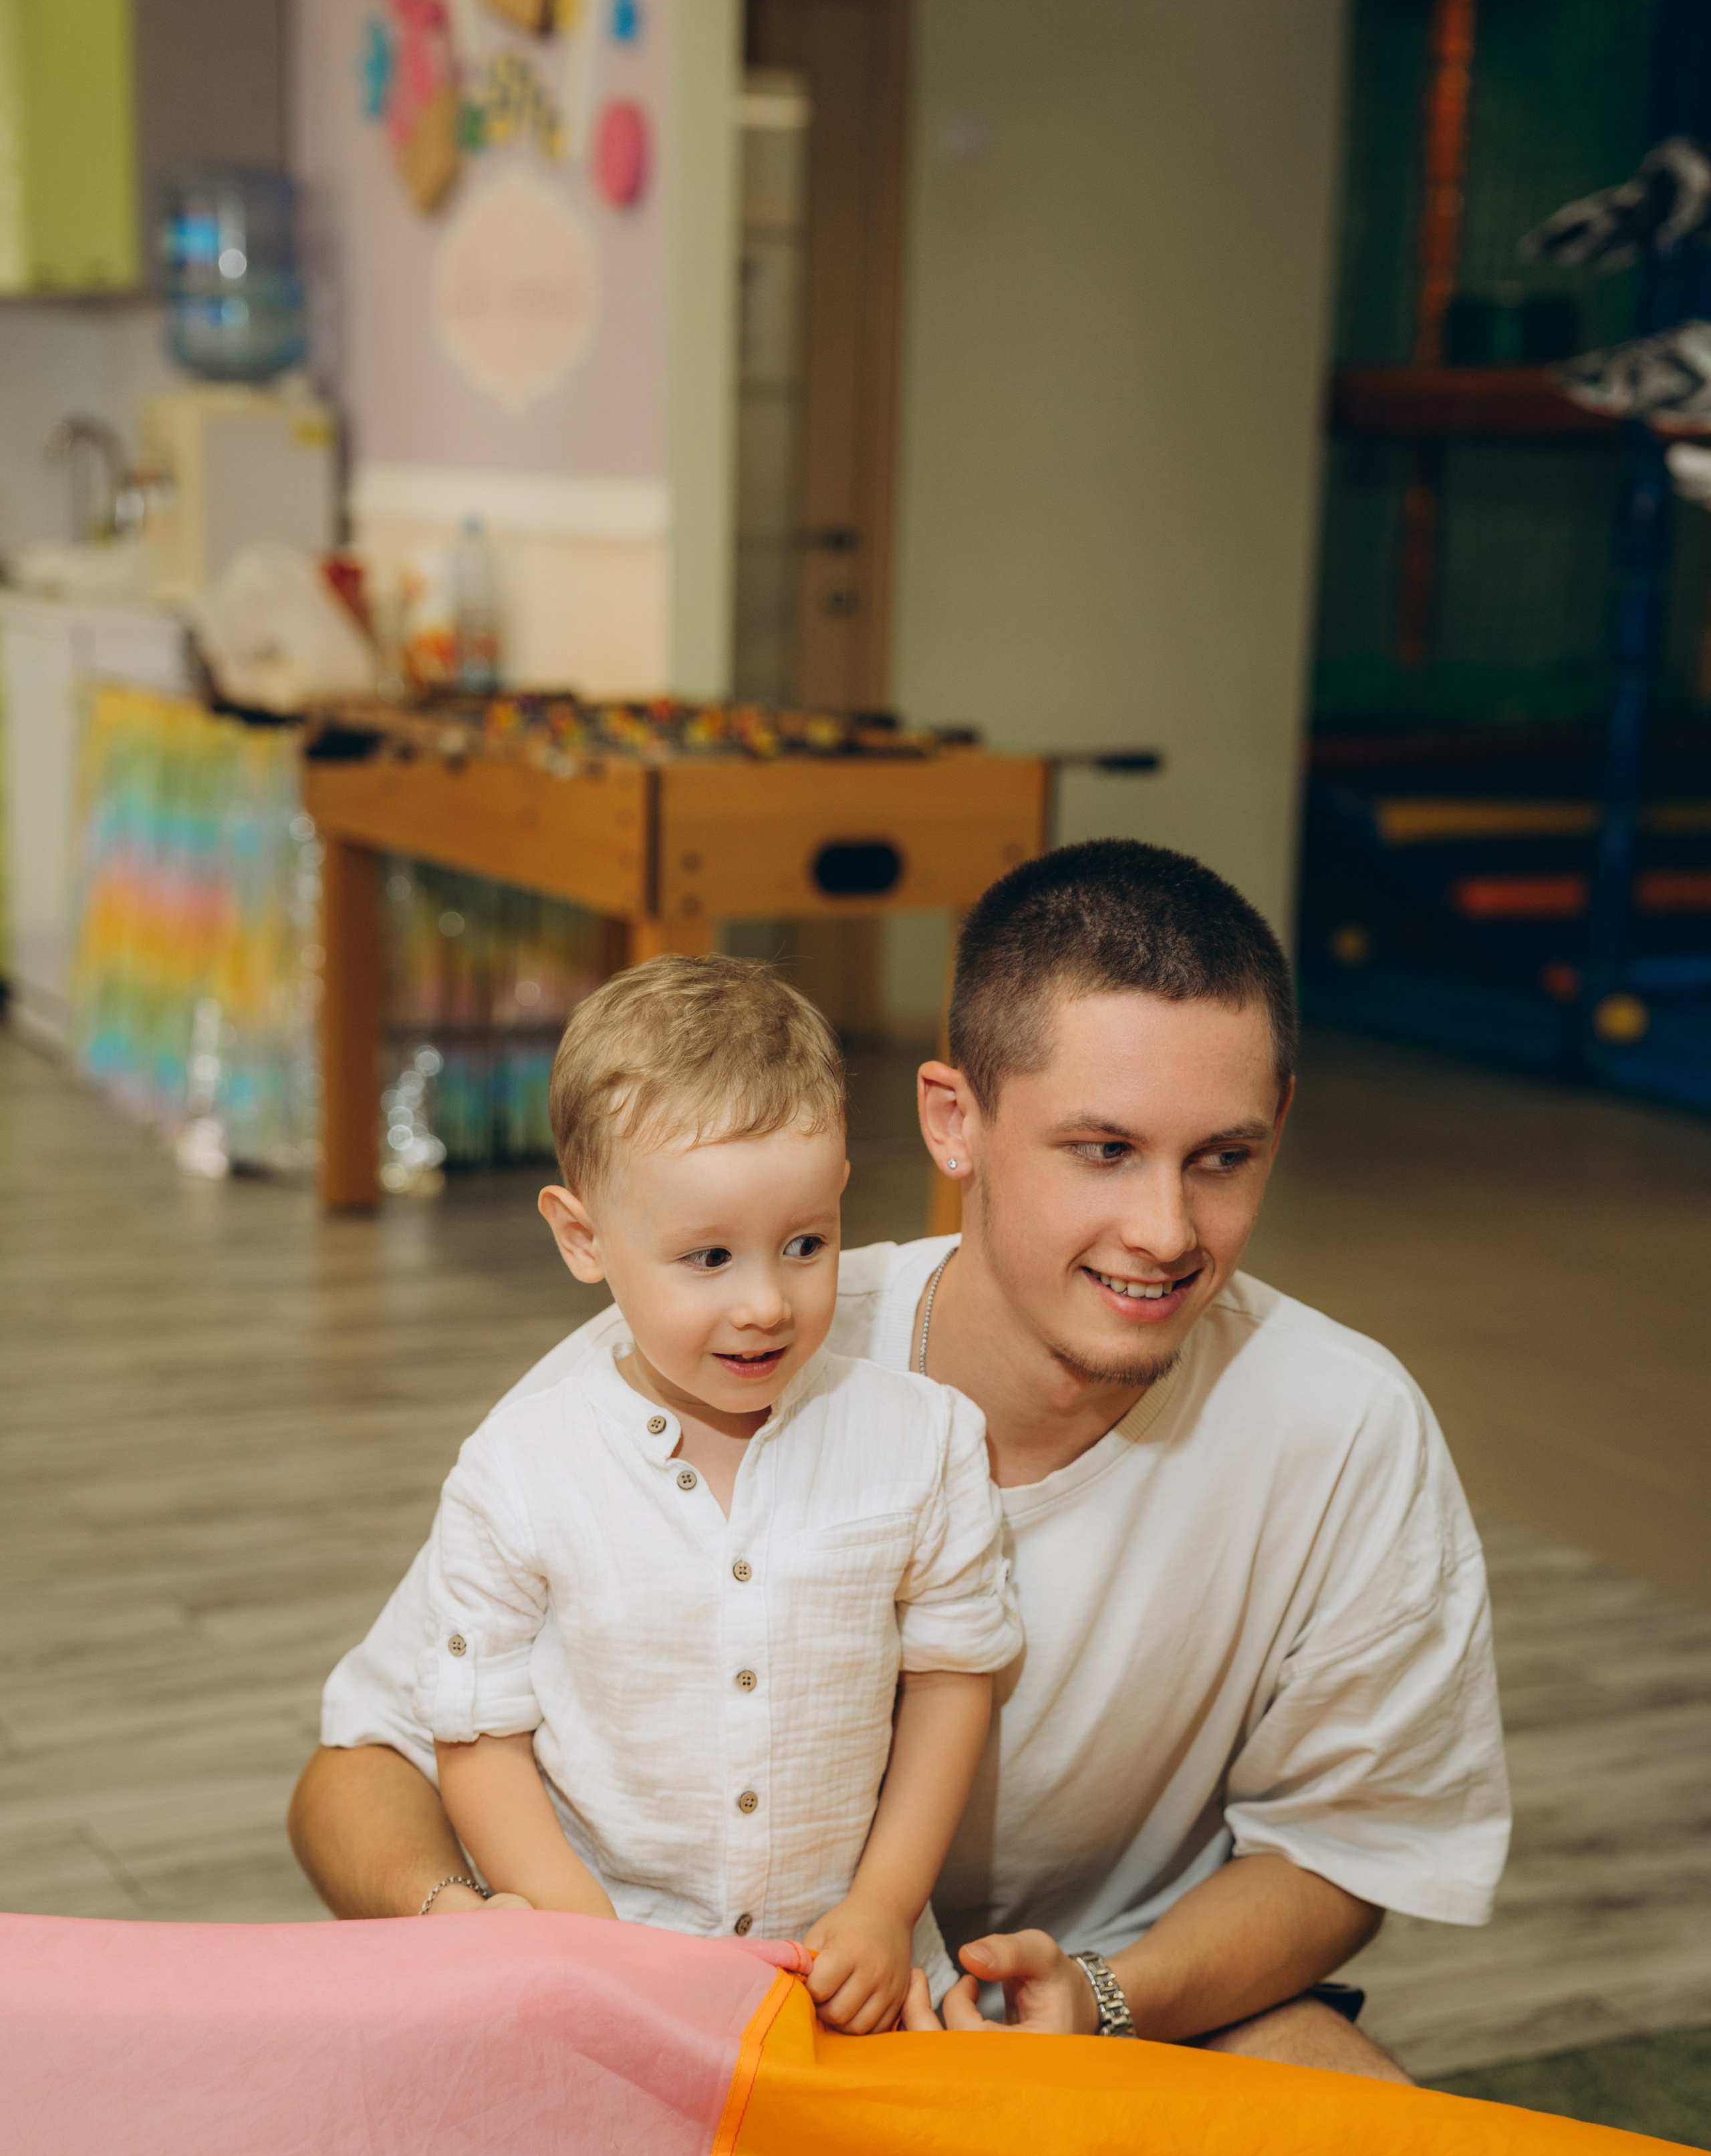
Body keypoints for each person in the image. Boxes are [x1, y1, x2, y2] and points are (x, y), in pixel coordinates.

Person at [291, 841, 1509, 2078]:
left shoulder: (1351, 1426)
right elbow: (356, 1776)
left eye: (1224, 1158)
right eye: (1101, 1150)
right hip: (677, 1999)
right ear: (954, 1122)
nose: (1166, 1232)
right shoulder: (650, 1384)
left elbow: (1348, 1853)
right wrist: (492, 1936)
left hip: (1128, 2002)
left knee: (1380, 2148)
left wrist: (1100, 1996)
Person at [404, 953, 1019, 2034]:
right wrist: (576, 1930)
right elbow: (480, 1736)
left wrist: (884, 1906)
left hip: (850, 1980)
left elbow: (951, 1683)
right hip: (606, 1967)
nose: (765, 1304)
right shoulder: (520, 1467)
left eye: (804, 1245)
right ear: (583, 1236)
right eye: (707, 1257)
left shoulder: (924, 1441)